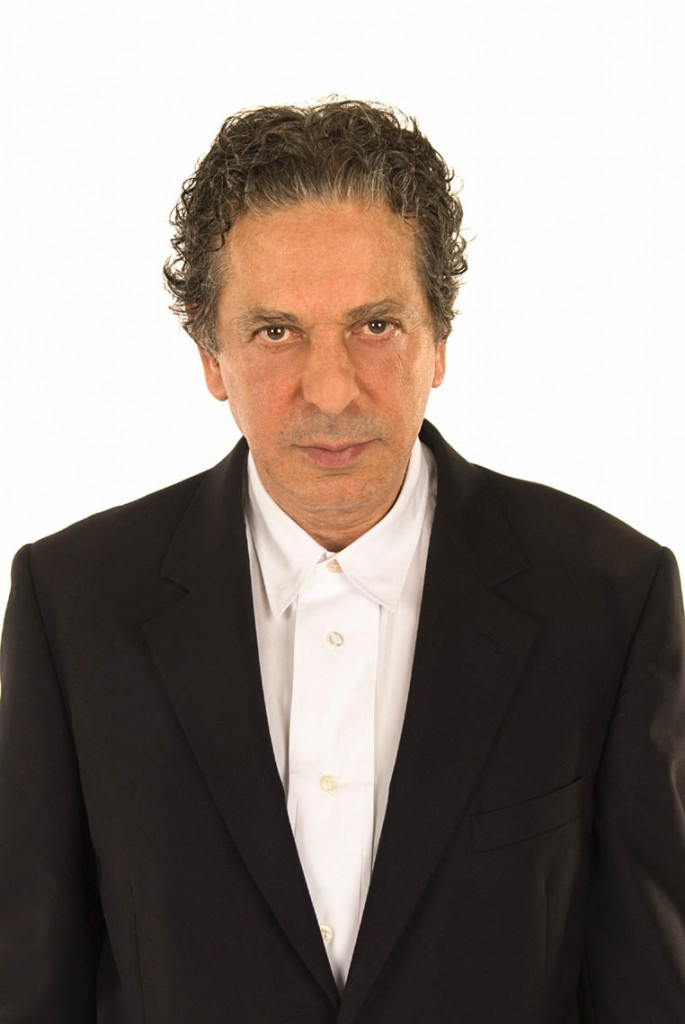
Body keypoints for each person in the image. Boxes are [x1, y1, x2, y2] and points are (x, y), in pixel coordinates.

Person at [0, 99, 684, 1024]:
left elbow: (649, 990)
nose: (329, 391)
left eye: (375, 325)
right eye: (275, 332)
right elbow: (31, 984)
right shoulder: (72, 604)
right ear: (211, 354)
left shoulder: (609, 598)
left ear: (438, 339)